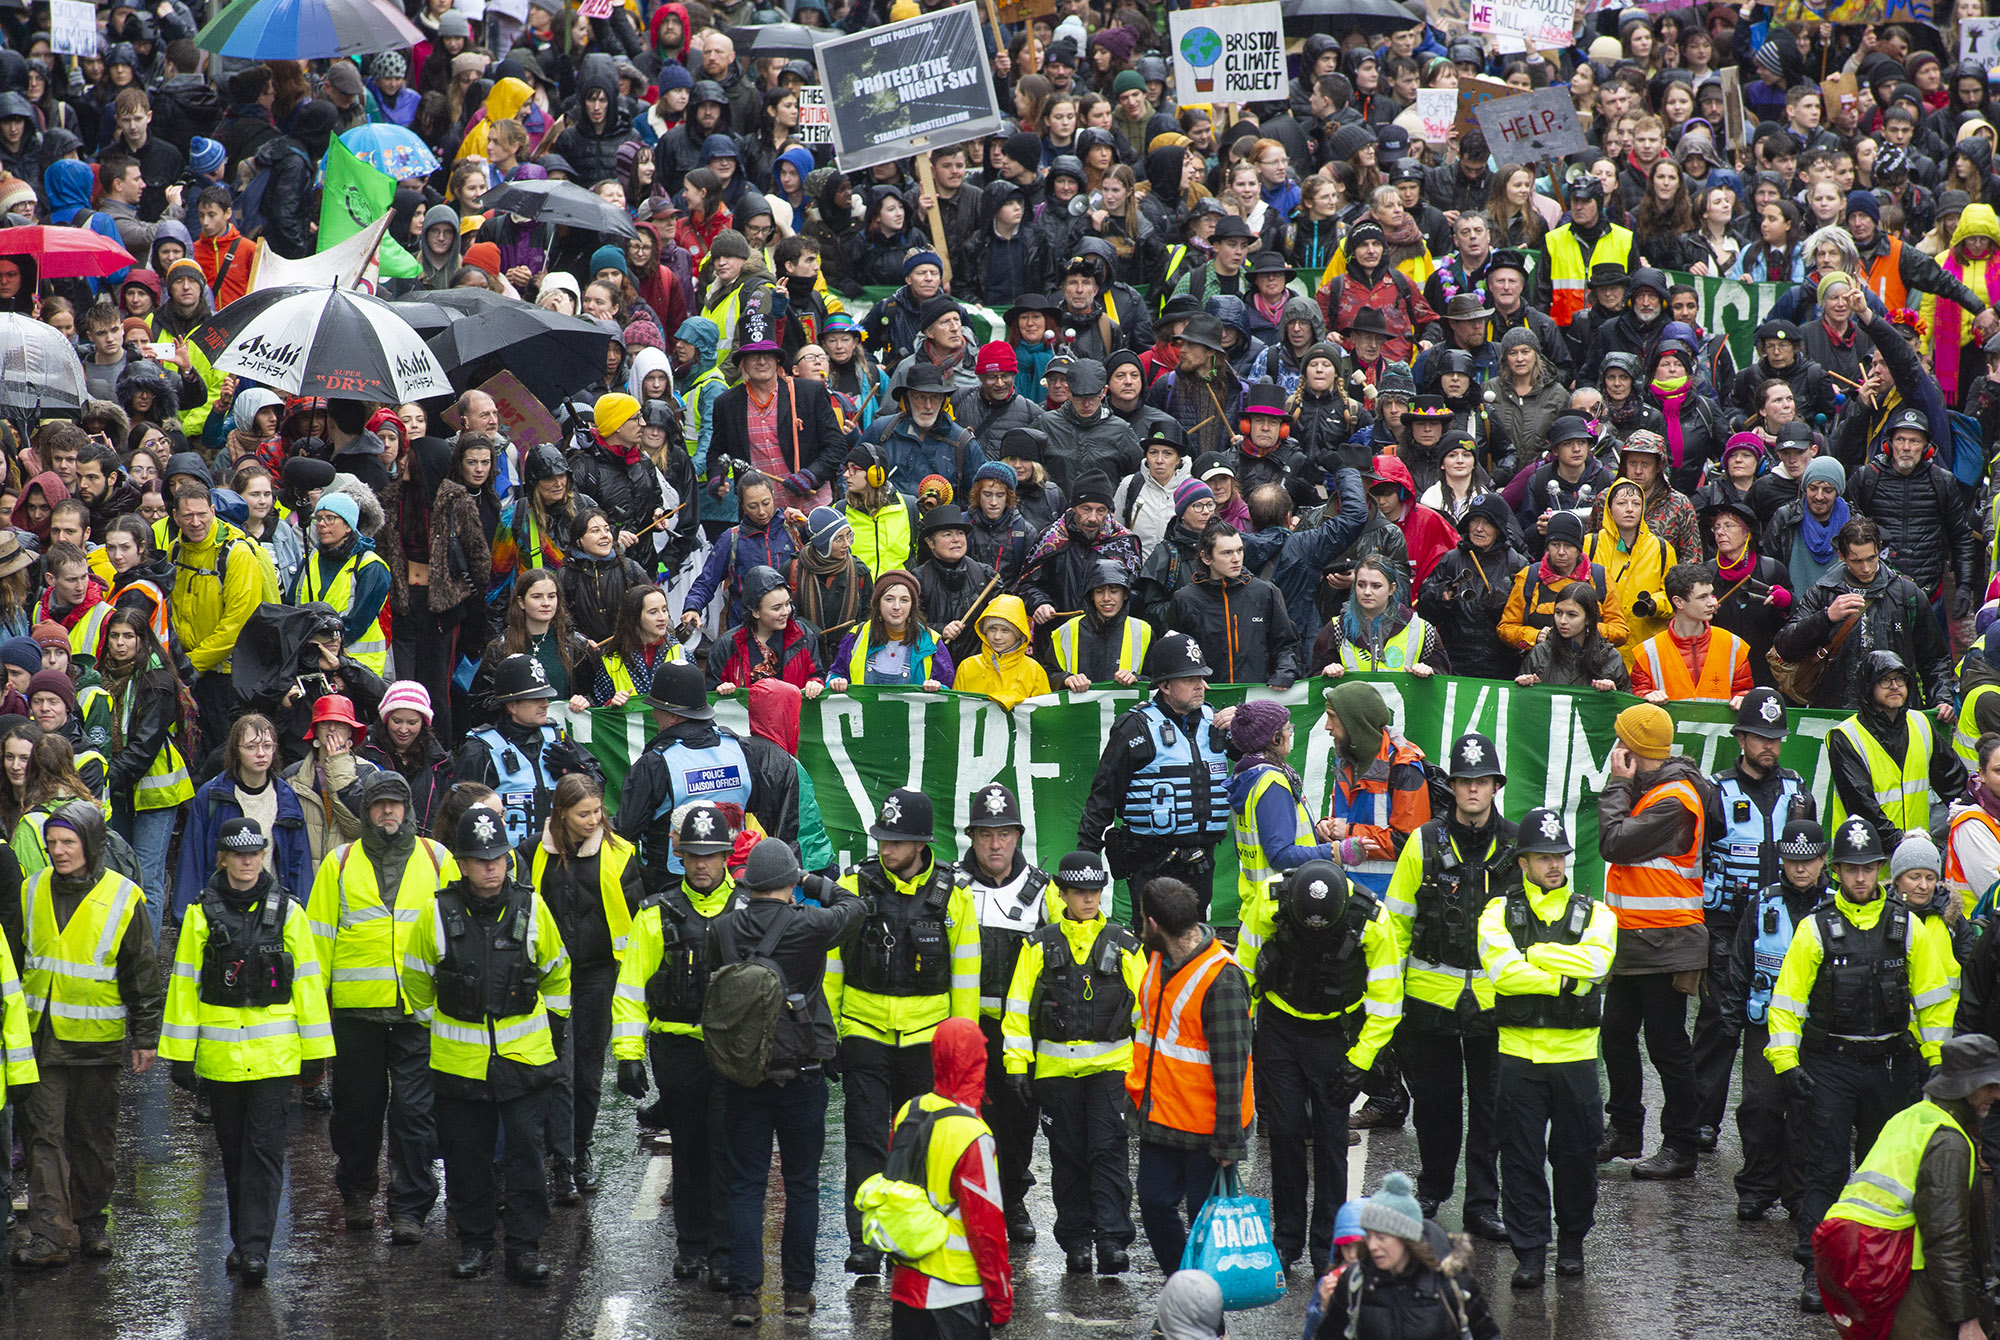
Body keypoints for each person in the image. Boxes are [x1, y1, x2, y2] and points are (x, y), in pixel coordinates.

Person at [399, 805, 573, 1287]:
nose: (491, 866)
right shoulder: (436, 912)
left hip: (524, 1062)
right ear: (463, 863)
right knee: (467, 1159)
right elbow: (415, 979)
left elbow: (558, 970)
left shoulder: (532, 907)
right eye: (480, 859)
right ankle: (474, 1245)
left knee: (526, 1158)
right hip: (460, 1065)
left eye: (497, 857)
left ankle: (524, 1249)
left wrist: (553, 1029)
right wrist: (440, 1025)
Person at [162, 816, 332, 1286]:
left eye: (253, 854)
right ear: (224, 858)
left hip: (276, 1060)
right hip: (220, 1062)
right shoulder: (200, 915)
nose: (246, 862)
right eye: (238, 854)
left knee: (264, 1152)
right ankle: (243, 1239)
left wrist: (316, 1054)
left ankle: (256, 1247)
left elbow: (309, 986)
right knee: (233, 1154)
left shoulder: (289, 913)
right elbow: (184, 987)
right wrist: (180, 1055)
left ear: (264, 856)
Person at [704, 839, 864, 1323]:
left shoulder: (723, 928)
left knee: (746, 1187)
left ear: (749, 884)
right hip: (801, 1073)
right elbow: (854, 906)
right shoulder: (809, 926)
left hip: (743, 1074)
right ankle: (796, 1292)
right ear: (791, 882)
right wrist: (814, 882)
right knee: (801, 1185)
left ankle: (744, 1296)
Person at [827, 788, 980, 1276]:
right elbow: (832, 963)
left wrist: (963, 1051)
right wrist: (829, 1032)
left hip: (927, 1042)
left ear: (920, 844)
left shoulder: (955, 894)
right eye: (882, 840)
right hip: (863, 1031)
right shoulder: (854, 884)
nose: (885, 850)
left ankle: (911, 1239)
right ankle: (867, 1240)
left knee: (918, 1146)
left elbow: (966, 979)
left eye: (894, 842)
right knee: (865, 1140)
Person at [304, 769, 450, 1245]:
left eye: (395, 804)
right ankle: (358, 1193)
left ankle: (409, 1208)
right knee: (356, 1113)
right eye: (378, 805)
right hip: (355, 1014)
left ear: (408, 809)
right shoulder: (339, 863)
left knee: (414, 1115)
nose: (388, 812)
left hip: (418, 1012)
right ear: (366, 811)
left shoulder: (436, 858)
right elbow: (317, 942)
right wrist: (313, 1017)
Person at [1240, 850, 1402, 1276]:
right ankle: (1286, 1240)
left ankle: (1328, 1245)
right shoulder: (1270, 899)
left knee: (1331, 1140)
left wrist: (1360, 1063)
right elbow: (1243, 973)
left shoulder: (1372, 919)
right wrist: (1246, 1037)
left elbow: (1387, 1002)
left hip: (1333, 1034)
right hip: (1278, 1025)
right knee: (1286, 1132)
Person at [1381, 732, 1514, 1239]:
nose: (1473, 790)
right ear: (1453, 786)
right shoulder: (1423, 841)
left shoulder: (1518, 842)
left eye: (1482, 781)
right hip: (1428, 1002)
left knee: (1491, 1110)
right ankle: (1432, 1190)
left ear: (1495, 785)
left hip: (1495, 1003)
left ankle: (1483, 1204)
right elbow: (1396, 923)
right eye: (1464, 781)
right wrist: (1387, 997)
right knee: (1435, 1108)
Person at [1478, 806, 1618, 1287]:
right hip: (1518, 1057)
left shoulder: (1596, 913)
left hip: (1575, 1057)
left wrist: (1534, 955)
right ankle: (1530, 1251)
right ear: (1523, 863)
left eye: (1559, 855)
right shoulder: (1499, 911)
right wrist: (1564, 975)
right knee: (1520, 1158)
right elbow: (1503, 974)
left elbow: (1596, 966)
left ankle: (1573, 1244)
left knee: (1577, 1157)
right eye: (1543, 857)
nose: (1554, 865)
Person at [15, 802, 160, 1267]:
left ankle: (92, 1222)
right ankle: (50, 1236)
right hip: (40, 1040)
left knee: (94, 1138)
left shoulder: (123, 896)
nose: (58, 851)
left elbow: (142, 971)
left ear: (91, 845)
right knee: (44, 1137)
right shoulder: (30, 890)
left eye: (68, 842)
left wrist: (144, 1035)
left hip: (97, 1043)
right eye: (52, 843)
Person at [611, 800, 742, 1285]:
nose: (701, 864)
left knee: (729, 1153)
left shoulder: (750, 907)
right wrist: (628, 1055)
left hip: (734, 1054)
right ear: (678, 857)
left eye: (710, 854)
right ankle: (691, 1248)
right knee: (689, 1152)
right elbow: (630, 992)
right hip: (678, 1052)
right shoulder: (654, 914)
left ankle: (727, 1253)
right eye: (692, 855)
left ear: (727, 855)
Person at [998, 849, 1139, 1274]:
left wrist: (1146, 1072)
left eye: (1095, 890)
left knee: (1108, 1153)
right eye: (1080, 892)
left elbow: (1146, 1015)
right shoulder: (1038, 947)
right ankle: (1076, 1242)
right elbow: (1018, 1009)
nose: (1090, 899)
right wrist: (1017, 1066)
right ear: (1062, 893)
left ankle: (1113, 1241)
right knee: (1068, 1157)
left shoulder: (1124, 944)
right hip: (1056, 1073)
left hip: (1111, 1071)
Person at [1694, 689, 1813, 1156]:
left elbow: (1812, 859)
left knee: (1782, 1025)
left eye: (1776, 738)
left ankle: (1790, 1116)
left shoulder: (1798, 792)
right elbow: (1699, 858)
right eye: (1760, 737)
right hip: (1726, 926)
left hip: (1786, 929)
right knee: (1718, 1026)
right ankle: (1703, 1122)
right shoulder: (1716, 792)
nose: (1769, 746)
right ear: (1740, 737)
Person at [1815, 1033, 2000, 1333]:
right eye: (1990, 1085)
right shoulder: (1949, 1142)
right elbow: (1946, 1239)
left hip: (1870, 1265)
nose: (1997, 1094)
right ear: (1966, 1087)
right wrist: (1966, 1320)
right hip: (1913, 1281)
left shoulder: (1911, 1118)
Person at [1596, 702, 1711, 1180]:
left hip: (1667, 942)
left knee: (1666, 1044)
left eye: (1621, 741)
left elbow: (1615, 842)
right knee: (1617, 1033)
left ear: (1634, 749)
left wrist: (1617, 786)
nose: (1613, 751)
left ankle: (1681, 1144)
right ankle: (1625, 1128)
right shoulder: (1652, 791)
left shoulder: (1674, 799)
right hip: (1634, 941)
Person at [1126, 877, 1253, 1276]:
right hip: (1161, 1119)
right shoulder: (1159, 959)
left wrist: (1229, 1140)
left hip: (1207, 1131)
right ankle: (1185, 1288)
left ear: (1153, 923)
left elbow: (1233, 1067)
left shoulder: (1222, 979)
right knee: (1154, 1205)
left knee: (1206, 1227)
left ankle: (1204, 1315)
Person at [529, 773, 640, 1204]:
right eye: (583, 814)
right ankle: (557, 1158)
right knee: (555, 1067)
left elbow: (635, 918)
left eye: (598, 811)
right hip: (550, 976)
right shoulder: (534, 855)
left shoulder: (620, 854)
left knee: (588, 1070)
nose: (594, 820)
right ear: (561, 814)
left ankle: (579, 1151)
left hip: (598, 974)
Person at [1077, 631, 1235, 924]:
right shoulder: (1134, 727)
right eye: (1190, 679)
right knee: (1152, 945)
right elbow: (1103, 796)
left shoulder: (1219, 723)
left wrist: (1246, 722)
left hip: (1202, 863)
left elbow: (1268, 751)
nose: (1202, 685)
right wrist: (1086, 858)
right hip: (1151, 862)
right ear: (1164, 685)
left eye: (1202, 677)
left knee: (1193, 944)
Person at [1718, 819, 1829, 1225]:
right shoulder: (1763, 903)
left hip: (1816, 1030)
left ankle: (1798, 1193)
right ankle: (1757, 1187)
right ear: (1781, 860)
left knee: (1806, 1112)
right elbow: (1740, 966)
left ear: (1823, 860)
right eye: (1792, 861)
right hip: (1764, 1024)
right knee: (1760, 1107)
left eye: (1809, 861)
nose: (1800, 869)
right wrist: (1729, 1020)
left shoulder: (1836, 906)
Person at [957, 783, 1053, 1247]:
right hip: (964, 1031)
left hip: (1018, 1034)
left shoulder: (1042, 892)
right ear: (971, 837)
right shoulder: (950, 888)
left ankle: (1012, 1198)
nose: (995, 845)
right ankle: (965, 1202)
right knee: (963, 1122)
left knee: (1018, 1122)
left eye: (1004, 834)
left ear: (1018, 835)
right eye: (986, 835)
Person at [880, 1015, 1014, 1338]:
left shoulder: (909, 1111)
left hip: (906, 1291)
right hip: (957, 1296)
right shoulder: (973, 1134)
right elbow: (987, 1230)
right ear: (978, 1063)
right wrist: (1001, 1299)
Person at [1771, 516, 1956, 715]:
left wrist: (1942, 698)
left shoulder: (1907, 594)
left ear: (1879, 550)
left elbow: (1935, 658)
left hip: (1896, 713)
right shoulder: (1822, 592)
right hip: (1837, 710)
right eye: (1857, 561)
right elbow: (1785, 647)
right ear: (1842, 556)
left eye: (1871, 558)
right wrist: (1825, 617)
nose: (1866, 568)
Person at [615, 661, 754, 894]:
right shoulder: (739, 748)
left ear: (671, 716)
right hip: (731, 882)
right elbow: (760, 808)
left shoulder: (654, 763)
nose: (653, 714)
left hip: (671, 886)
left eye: (655, 708)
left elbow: (626, 830)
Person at [452, 654, 603, 851]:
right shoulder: (481, 749)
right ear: (512, 705)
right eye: (536, 699)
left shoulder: (558, 738)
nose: (546, 704)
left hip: (559, 859)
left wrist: (578, 770)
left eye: (546, 697)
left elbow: (598, 788)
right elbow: (458, 812)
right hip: (507, 861)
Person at [1825, 650, 1967, 850]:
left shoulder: (1921, 724)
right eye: (1885, 680)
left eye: (1899, 679)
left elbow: (1953, 781)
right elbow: (1861, 804)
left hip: (1915, 865)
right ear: (1868, 686)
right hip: (1863, 863)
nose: (1894, 686)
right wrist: (1901, 843)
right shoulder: (1846, 736)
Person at [291, 492, 392, 676]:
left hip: (357, 666)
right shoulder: (311, 557)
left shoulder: (371, 566)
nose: (321, 524)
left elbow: (358, 622)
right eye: (319, 518)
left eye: (330, 518)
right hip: (312, 659)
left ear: (348, 526)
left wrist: (324, 643)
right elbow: (292, 605)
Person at [1628, 562, 1753, 702]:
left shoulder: (1733, 645)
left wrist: (1742, 698)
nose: (1712, 602)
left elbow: (1743, 691)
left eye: (1711, 594)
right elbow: (1637, 699)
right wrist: (1645, 696)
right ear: (1678, 602)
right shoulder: (1647, 653)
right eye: (1702, 597)